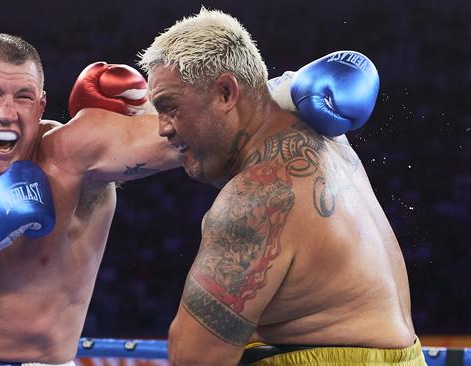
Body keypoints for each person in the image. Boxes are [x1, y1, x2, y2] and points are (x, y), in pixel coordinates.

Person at [0, 33, 377, 366]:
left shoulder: (72, 155)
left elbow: (190, 126)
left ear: (42, 104)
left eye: (22, 98)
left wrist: (290, 91)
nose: (6, 113)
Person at [138, 9, 426, 366]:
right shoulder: (326, 137)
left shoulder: (257, 199)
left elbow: (194, 358)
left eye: (169, 108)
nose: (163, 129)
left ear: (226, 92)